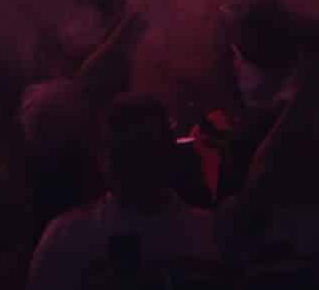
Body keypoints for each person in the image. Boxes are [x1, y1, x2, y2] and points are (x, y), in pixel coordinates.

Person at [26, 95, 219, 290]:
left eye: (145, 149)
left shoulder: (68, 236)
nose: (136, 164)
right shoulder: (66, 237)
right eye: (125, 152)